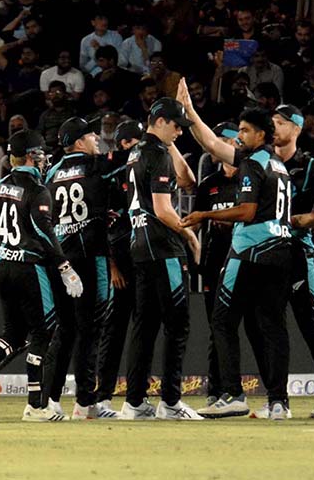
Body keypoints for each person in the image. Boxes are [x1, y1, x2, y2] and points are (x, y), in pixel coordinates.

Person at [178, 79, 293, 421]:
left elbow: (247, 211)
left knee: (223, 321)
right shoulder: (277, 164)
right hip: (280, 251)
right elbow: (212, 144)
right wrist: (190, 112)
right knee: (272, 326)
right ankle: (278, 401)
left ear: (261, 134)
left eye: (244, 130)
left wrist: (205, 214)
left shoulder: (253, 165)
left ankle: (231, 394)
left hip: (250, 252)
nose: (238, 136)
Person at [0, 129, 84, 422]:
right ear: (31, 155)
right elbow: (43, 230)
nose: (44, 160)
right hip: (30, 268)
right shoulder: (38, 190)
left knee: (13, 332)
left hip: (4, 267)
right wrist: (64, 267)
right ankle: (36, 406)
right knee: (43, 333)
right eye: (41, 154)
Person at [258, 104, 314, 420]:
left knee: (310, 325)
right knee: (273, 329)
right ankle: (278, 399)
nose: (274, 128)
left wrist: (304, 219)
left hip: (297, 255)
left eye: (279, 123)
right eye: (271, 122)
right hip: (268, 255)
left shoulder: (310, 167)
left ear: (295, 128)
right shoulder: (263, 163)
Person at [44, 116, 132, 419]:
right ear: (80, 142)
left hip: (60, 259)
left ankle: (49, 399)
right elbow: (127, 156)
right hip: (91, 255)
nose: (97, 137)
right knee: (91, 329)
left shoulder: (52, 172)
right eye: (92, 134)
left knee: (65, 330)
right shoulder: (98, 164)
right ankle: (85, 403)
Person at [120, 97, 201, 421]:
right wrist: (189, 234)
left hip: (139, 246)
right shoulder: (156, 154)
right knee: (177, 325)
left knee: (144, 327)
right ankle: (170, 401)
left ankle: (134, 402)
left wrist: (171, 147)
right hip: (164, 249)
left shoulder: (137, 152)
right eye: (177, 126)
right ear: (160, 120)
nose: (180, 132)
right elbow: (164, 209)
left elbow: (187, 180)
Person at [188, 122, 240, 411]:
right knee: (216, 328)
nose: (217, 144)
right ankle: (216, 390)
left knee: (254, 327)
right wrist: (193, 250)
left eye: (223, 139)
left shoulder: (250, 178)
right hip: (215, 262)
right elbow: (197, 222)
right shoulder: (208, 183)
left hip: (246, 263)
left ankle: (272, 393)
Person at [95, 119, 143, 412]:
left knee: (143, 327)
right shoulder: (112, 176)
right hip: (121, 260)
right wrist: (112, 266)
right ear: (124, 144)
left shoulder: (145, 169)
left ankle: (137, 396)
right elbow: (104, 224)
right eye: (135, 143)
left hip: (142, 257)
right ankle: (103, 395)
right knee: (114, 330)